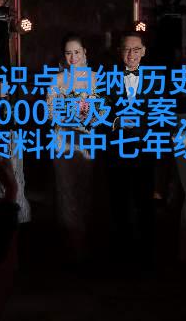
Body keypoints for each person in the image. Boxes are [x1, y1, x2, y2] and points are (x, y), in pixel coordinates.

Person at [46, 33, 98, 263]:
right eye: (69, 53)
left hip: (86, 140)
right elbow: (51, 114)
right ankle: (72, 245)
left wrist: (89, 115)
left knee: (85, 189)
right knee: (66, 190)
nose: (73, 57)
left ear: (85, 52)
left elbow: (101, 114)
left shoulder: (96, 79)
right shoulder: (56, 80)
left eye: (77, 52)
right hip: (63, 140)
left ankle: (84, 241)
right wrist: (69, 113)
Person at [107, 32, 156, 267]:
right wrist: (117, 121)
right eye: (127, 49)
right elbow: (99, 112)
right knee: (119, 204)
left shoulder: (157, 79)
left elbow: (163, 116)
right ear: (119, 52)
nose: (131, 54)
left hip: (146, 151)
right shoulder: (107, 78)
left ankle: (146, 256)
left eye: (136, 49)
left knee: (145, 203)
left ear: (144, 51)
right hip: (116, 151)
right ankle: (121, 256)